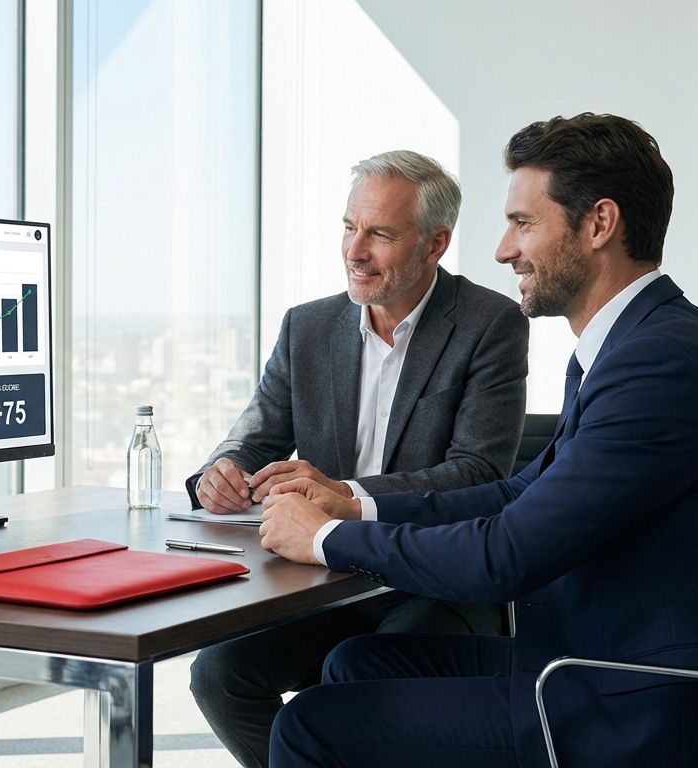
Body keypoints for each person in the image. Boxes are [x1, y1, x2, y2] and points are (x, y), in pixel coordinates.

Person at [260, 114, 698, 768]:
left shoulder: (661, 366)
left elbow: (508, 557)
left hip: (642, 705)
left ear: (599, 224)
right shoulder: (632, 347)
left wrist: (321, 539)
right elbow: (519, 492)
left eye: (524, 223)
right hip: (601, 661)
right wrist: (353, 503)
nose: (502, 250)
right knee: (358, 661)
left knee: (310, 727)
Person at [187, 150, 530, 768]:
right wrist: (223, 470)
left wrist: (343, 492)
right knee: (219, 674)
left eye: (380, 234)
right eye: (349, 227)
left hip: (434, 583)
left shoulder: (489, 324)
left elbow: (479, 473)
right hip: (323, 583)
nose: (355, 250)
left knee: (359, 685)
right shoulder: (307, 327)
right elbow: (255, 436)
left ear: (435, 244)